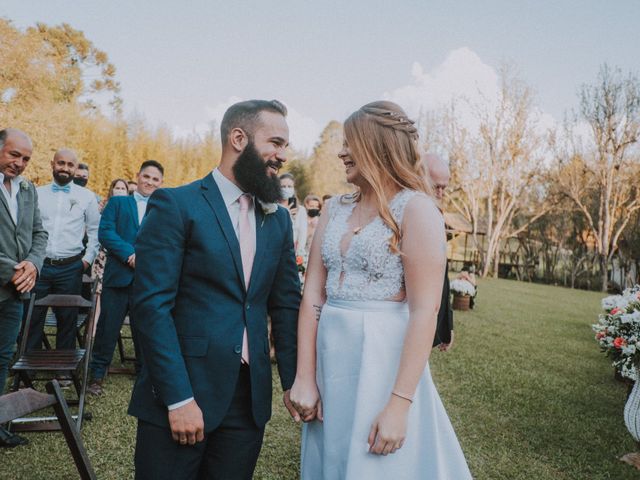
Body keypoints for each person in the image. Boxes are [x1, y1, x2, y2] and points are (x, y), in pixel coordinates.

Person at [290, 101, 471, 479]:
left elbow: (425, 311)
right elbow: (312, 297)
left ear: (378, 146)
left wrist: (399, 405)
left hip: (382, 364)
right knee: (333, 460)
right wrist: (305, 376)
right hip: (330, 360)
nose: (342, 152)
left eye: (350, 143)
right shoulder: (334, 208)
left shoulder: (417, 209)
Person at [129, 99, 301, 480]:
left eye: (285, 146)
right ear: (238, 138)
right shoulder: (177, 204)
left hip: (248, 402)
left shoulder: (278, 220)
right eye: (275, 142)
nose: (282, 155)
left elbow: (286, 305)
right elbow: (150, 307)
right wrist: (178, 398)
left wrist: (293, 380)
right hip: (183, 390)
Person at [88, 163, 163, 396]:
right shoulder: (119, 203)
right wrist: (129, 255)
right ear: (138, 177)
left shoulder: (163, 209)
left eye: (155, 179)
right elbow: (106, 232)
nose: (150, 182)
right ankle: (97, 375)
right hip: (118, 276)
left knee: (145, 329)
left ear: (161, 183)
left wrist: (147, 259)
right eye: (146, 176)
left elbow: (167, 240)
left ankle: (143, 373)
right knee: (107, 328)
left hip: (147, 280)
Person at [0, 129, 48, 448]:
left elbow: (39, 234)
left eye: (26, 159)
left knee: (3, 357)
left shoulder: (28, 190)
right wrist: (16, 271)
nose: (20, 163)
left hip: (14, 296)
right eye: (14, 155)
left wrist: (33, 264)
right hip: (12, 280)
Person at [26, 149, 100, 352]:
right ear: (52, 164)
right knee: (33, 317)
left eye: (70, 165)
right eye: (61, 163)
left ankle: (64, 370)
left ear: (75, 168)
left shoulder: (87, 197)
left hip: (71, 266)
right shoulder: (37, 193)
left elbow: (95, 231)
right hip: (39, 265)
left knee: (68, 318)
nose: (65, 168)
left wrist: (87, 259)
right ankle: (28, 367)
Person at [425, 153, 454, 351]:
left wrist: (446, 325)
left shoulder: (437, 215)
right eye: (437, 187)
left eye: (445, 188)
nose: (441, 193)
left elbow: (442, 275)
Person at [92, 179, 130, 297]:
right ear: (112, 190)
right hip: (103, 254)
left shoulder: (129, 208)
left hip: (121, 255)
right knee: (98, 291)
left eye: (123, 188)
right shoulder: (103, 206)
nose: (120, 191)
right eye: (117, 188)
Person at [279, 172, 307, 256]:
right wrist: (284, 214)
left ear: (293, 189)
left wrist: (299, 254)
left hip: (292, 252)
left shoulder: (300, 210)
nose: (286, 189)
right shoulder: (273, 207)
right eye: (283, 186)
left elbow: (302, 234)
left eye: (289, 186)